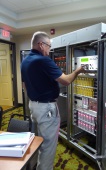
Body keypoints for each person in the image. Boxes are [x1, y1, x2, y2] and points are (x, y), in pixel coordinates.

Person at [21, 31, 86, 170]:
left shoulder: (25, 60)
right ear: (41, 44)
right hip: (47, 108)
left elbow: (25, 85)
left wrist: (36, 94)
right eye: (49, 46)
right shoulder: (43, 60)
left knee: (37, 140)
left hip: (33, 105)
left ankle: (35, 166)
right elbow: (66, 80)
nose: (49, 50)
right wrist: (78, 71)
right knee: (48, 146)